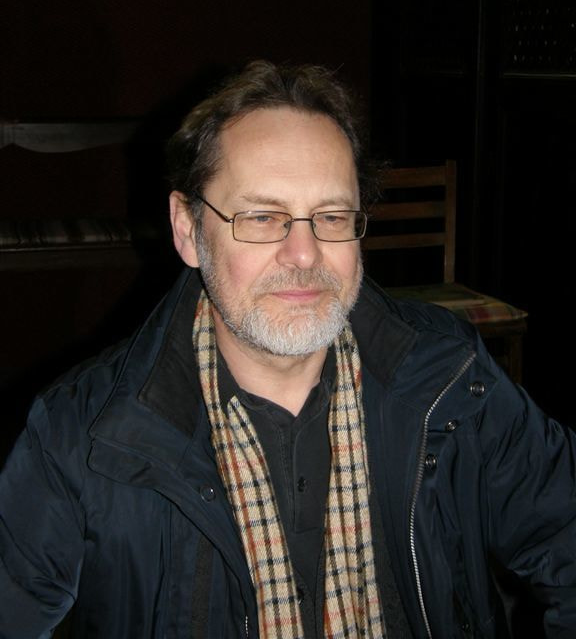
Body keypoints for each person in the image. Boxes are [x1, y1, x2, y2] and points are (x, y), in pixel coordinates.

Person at [0, 60, 575, 639]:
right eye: (262, 217)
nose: (304, 253)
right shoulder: (80, 434)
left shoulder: (452, 378)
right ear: (188, 229)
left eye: (331, 216)